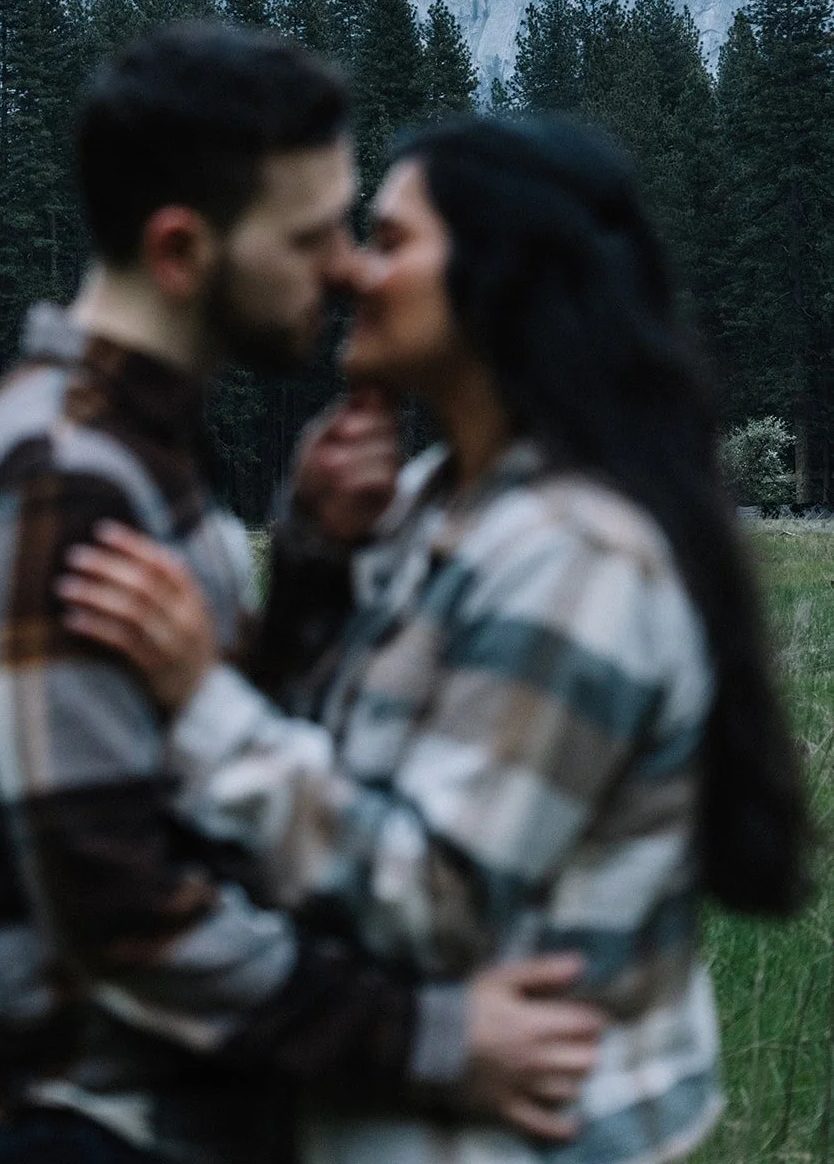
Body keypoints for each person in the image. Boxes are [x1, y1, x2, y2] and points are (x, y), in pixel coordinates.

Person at [0, 29, 604, 1164]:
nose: (348, 267)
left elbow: (183, 766)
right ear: (180, 250)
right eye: (312, 233)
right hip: (72, 1120)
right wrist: (433, 1036)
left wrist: (311, 558)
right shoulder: (59, 491)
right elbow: (119, 914)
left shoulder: (134, 456)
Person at [58, 113, 810, 1163]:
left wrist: (199, 699)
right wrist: (315, 556)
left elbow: (433, 897)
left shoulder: (576, 558)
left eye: (391, 239)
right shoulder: (432, 502)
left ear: (500, 277)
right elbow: (340, 760)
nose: (354, 273)